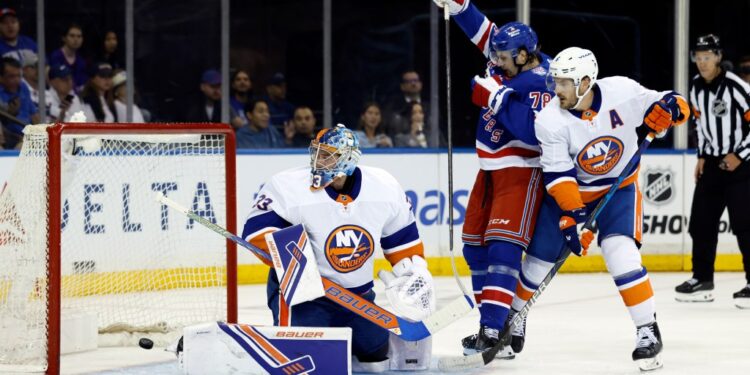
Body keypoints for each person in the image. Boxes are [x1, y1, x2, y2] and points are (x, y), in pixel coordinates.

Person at [483, 46, 688, 370]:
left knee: (621, 254)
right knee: (537, 263)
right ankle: (515, 318)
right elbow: (558, 173)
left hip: (618, 190)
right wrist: (574, 216)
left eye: (564, 83)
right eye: (556, 82)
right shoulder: (550, 119)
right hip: (571, 194)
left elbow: (668, 100)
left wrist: (673, 108)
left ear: (585, 82)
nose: (557, 89)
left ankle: (647, 330)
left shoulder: (621, 91)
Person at [242, 124, 431, 372]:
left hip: (358, 298)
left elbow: (402, 242)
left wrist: (413, 273)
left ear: (348, 159)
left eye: (327, 154)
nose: (318, 160)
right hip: (304, 298)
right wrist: (299, 264)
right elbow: (255, 232)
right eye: (317, 152)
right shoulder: (288, 186)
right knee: (305, 356)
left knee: (375, 350)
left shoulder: (383, 186)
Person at [435, 0, 553, 357]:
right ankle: (499, 326)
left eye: (502, 58)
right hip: (489, 170)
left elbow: (534, 133)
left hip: (522, 170)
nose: (495, 61)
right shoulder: (509, 56)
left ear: (523, 55)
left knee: (504, 249)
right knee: (475, 248)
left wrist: (495, 96)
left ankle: (494, 330)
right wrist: (460, 5)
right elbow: (484, 31)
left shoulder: (545, 82)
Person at [676, 34, 750, 308]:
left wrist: (739, 156)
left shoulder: (736, 87)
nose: (702, 62)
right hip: (714, 165)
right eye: (698, 57)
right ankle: (702, 280)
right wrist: (702, 156)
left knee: (746, 225)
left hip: (742, 166)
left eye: (708, 57)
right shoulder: (695, 86)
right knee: (701, 223)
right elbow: (701, 124)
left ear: (719, 57)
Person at [0, 56, 39, 148]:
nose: (17, 80)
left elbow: (34, 115)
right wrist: (10, 113)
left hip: (28, 135)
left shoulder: (23, 87)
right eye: (12, 76)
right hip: (11, 140)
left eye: (19, 76)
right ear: (1, 78)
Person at [382, 70, 426, 137]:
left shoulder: (430, 106)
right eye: (409, 81)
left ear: (421, 84)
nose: (413, 84)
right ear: (402, 86)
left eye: (416, 80)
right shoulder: (393, 107)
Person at [48, 23, 87, 92]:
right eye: (72, 36)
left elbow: (82, 84)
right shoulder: (55, 56)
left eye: (79, 36)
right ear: (64, 38)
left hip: (76, 97)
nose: (76, 39)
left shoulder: (81, 61)